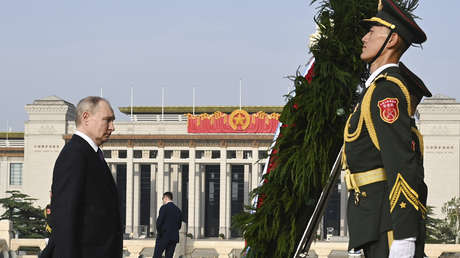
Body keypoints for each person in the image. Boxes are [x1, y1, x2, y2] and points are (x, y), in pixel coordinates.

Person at [342, 0, 431, 257]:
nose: (364, 37)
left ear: (391, 41)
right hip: (374, 224)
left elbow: (400, 163)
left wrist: (404, 237)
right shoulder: (375, 90)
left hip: (388, 226)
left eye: (372, 32)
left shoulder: (386, 92)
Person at [50, 96, 122, 258]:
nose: (113, 127)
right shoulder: (74, 155)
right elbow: (65, 216)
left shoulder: (92, 155)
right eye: (107, 120)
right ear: (86, 118)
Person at [153, 192, 183, 258]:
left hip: (163, 236)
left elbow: (159, 223)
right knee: (169, 256)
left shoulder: (164, 208)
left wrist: (160, 233)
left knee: (156, 255)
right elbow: (179, 225)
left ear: (166, 197)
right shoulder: (178, 210)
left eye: (163, 198)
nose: (162, 200)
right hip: (173, 238)